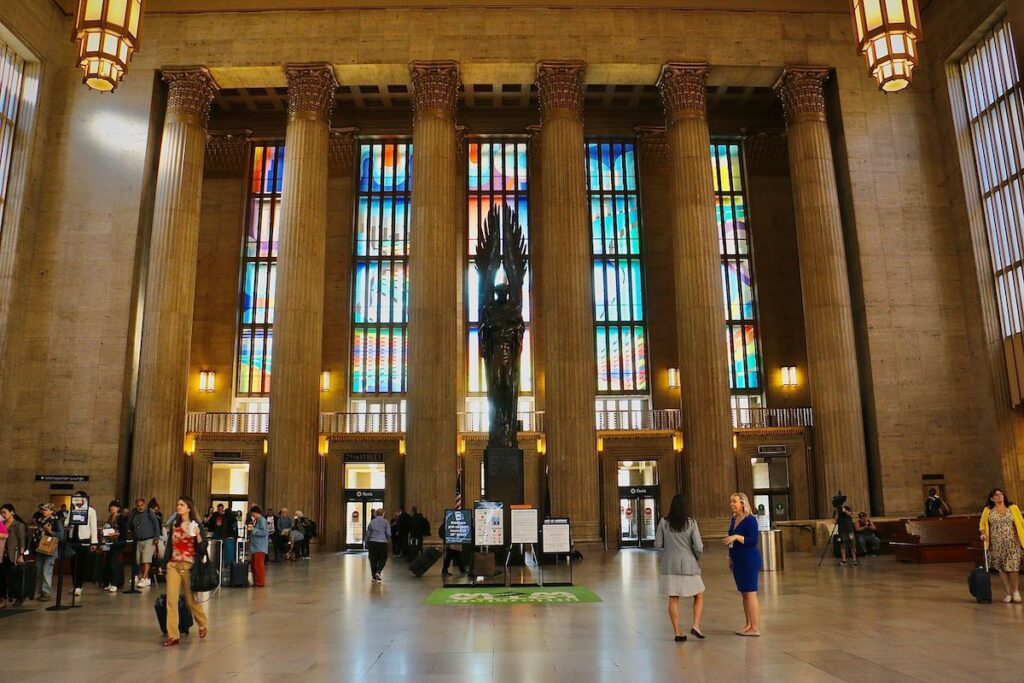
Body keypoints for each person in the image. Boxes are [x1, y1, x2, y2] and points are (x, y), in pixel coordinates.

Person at [655, 494, 705, 642]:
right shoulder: (691, 523)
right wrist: (696, 557)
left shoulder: (663, 522)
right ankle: (696, 625)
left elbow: (657, 544)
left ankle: (677, 631)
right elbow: (699, 546)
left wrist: (667, 553)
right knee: (699, 594)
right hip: (689, 565)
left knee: (673, 597)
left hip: (670, 565)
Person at [160, 497, 210, 646]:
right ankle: (173, 635)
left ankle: (202, 623)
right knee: (171, 600)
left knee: (189, 599)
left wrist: (198, 535)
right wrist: (164, 564)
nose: (178, 507)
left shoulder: (195, 525)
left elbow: (202, 547)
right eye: (178, 504)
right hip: (173, 565)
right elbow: (170, 546)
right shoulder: (174, 526)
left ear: (189, 508)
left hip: (188, 565)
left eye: (182, 505)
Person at [722, 492, 761, 636]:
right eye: (731, 502)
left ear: (743, 504)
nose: (732, 504)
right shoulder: (734, 519)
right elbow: (731, 540)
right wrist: (730, 557)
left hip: (749, 560)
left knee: (750, 593)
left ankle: (755, 627)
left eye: (735, 502)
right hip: (737, 560)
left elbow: (752, 540)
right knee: (744, 593)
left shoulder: (750, 520)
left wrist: (736, 537)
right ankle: (748, 624)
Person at [979, 488, 1024, 603]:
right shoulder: (988, 510)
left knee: (1014, 567)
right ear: (992, 498)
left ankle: (1015, 591)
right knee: (1002, 568)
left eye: (1001, 494)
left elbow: (1021, 522)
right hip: (996, 543)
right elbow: (983, 524)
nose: (1000, 496)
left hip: (1012, 542)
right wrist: (983, 533)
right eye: (997, 495)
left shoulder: (1012, 508)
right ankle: (1008, 592)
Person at [66, 492, 98, 598]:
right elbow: (66, 523)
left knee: (80, 563)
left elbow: (93, 527)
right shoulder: (72, 509)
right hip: (72, 539)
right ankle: (75, 584)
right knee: (73, 563)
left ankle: (79, 585)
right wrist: (71, 521)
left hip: (83, 539)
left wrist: (94, 542)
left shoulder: (91, 511)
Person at [34, 503, 64, 602]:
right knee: (38, 571)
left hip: (50, 550)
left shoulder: (56, 521)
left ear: (52, 511)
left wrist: (50, 531)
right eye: (42, 510)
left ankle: (46, 592)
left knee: (46, 571)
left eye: (46, 510)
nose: (43, 511)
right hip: (40, 548)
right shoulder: (40, 520)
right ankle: (39, 592)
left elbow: (61, 536)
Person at [129, 498, 161, 587]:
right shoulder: (135, 514)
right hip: (139, 540)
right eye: (138, 506)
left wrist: (156, 537)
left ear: (144, 504)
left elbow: (156, 525)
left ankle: (145, 576)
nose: (140, 507)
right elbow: (131, 525)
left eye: (141, 505)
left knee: (146, 559)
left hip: (149, 539)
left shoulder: (149, 513)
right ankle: (140, 575)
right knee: (139, 559)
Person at [0, 504, 28, 607]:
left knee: (15, 577)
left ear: (12, 512)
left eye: (4, 512)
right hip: (2, 554)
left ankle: (18, 597)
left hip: (14, 554)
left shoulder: (18, 525)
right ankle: (3, 598)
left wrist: (21, 555)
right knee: (1, 577)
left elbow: (22, 541)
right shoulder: (1, 524)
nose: (3, 515)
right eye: (1, 513)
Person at [101, 500, 128, 593]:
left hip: (117, 543)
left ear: (118, 508)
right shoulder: (110, 517)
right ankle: (108, 582)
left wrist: (115, 533)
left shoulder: (121, 518)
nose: (113, 508)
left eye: (115, 507)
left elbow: (123, 531)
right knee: (108, 563)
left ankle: (114, 583)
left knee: (114, 563)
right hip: (109, 543)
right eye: (111, 506)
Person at [365, 508, 391, 582]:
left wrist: (366, 542)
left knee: (373, 559)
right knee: (383, 558)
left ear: (376, 514)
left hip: (372, 542)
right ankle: (378, 571)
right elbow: (388, 533)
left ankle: (374, 576)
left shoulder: (372, 522)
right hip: (382, 543)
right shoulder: (386, 522)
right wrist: (388, 539)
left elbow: (368, 534)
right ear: (383, 514)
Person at [247, 506, 268, 587]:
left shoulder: (262, 520)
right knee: (253, 566)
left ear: (256, 512)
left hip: (260, 547)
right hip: (255, 546)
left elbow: (263, 532)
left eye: (252, 513)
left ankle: (260, 582)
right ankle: (256, 581)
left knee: (258, 566)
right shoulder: (256, 520)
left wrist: (253, 530)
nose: (252, 515)